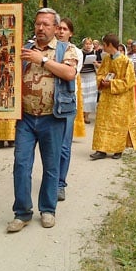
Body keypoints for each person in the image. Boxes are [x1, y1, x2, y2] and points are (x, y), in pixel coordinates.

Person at [7, 8, 78, 233]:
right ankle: (22, 212)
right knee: (21, 164)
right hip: (26, 118)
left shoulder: (66, 49)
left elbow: (69, 73)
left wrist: (43, 59)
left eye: (46, 24)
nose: (40, 28)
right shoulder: (25, 48)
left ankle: (48, 209)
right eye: (38, 24)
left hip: (53, 117)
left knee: (51, 166)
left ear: (56, 28)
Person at [90, 33, 136, 160]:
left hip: (120, 99)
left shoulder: (126, 61)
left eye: (104, 45)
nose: (103, 47)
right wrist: (102, 80)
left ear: (110, 45)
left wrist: (112, 83)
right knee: (102, 122)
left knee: (118, 124)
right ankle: (101, 149)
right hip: (106, 97)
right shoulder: (106, 59)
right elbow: (100, 73)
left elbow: (129, 82)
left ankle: (118, 150)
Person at [56, 16, 83, 202]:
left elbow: (68, 73)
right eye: (58, 28)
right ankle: (51, 179)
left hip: (66, 102)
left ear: (71, 33)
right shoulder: (47, 49)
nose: (60, 31)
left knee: (64, 146)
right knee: (51, 146)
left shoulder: (75, 52)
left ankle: (60, 184)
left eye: (64, 29)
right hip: (49, 103)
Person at [80, 37, 98, 124]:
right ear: (83, 44)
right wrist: (80, 65)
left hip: (91, 76)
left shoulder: (95, 53)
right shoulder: (79, 52)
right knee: (82, 96)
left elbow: (100, 64)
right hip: (81, 76)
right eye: (86, 44)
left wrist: (96, 64)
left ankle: (87, 115)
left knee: (90, 97)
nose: (88, 45)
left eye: (90, 44)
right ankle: (81, 114)